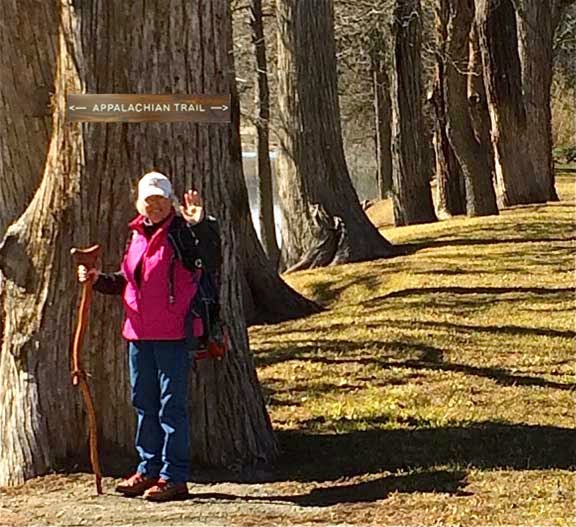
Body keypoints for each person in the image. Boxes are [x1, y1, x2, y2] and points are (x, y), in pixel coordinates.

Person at [77, 171, 220, 502]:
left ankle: (174, 476)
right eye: (148, 200)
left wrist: (199, 225)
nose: (154, 206)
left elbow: (209, 261)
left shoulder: (183, 233)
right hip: (139, 335)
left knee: (172, 407)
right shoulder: (137, 234)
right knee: (144, 403)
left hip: (173, 334)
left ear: (170, 201)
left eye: (160, 200)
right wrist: (97, 279)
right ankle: (148, 469)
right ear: (139, 203)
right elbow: (128, 280)